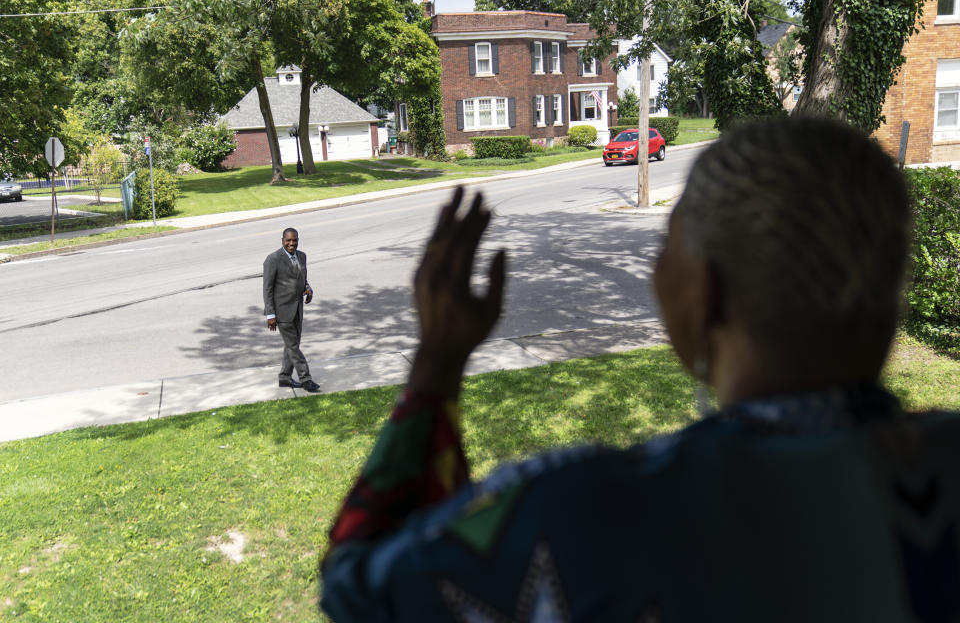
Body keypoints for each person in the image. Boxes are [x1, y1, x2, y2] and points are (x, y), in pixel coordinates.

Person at [320, 118, 960, 621]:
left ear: (706, 293)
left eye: (665, 247)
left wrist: (436, 362)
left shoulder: (586, 512)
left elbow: (358, 588)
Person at [263, 227, 320, 393]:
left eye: (294, 240)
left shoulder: (302, 256)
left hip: (298, 309)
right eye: (288, 240)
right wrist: (270, 314)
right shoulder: (273, 259)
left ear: (298, 240)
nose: (291, 243)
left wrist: (308, 289)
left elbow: (303, 278)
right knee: (293, 346)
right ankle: (306, 378)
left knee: (291, 345)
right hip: (282, 312)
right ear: (282, 240)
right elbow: (267, 289)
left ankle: (284, 377)